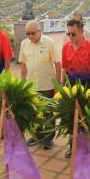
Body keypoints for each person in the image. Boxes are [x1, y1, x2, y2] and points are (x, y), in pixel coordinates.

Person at [62, 19, 90, 158]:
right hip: (71, 85)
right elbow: (65, 69)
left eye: (73, 34)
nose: (70, 37)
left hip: (87, 85)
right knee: (71, 117)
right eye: (68, 34)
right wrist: (63, 87)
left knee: (89, 117)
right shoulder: (66, 47)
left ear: (81, 31)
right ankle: (72, 146)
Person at [19, 20, 61, 149]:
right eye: (27, 33)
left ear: (39, 31)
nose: (30, 36)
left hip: (47, 84)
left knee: (48, 112)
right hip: (31, 86)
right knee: (33, 112)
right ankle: (37, 135)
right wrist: (23, 84)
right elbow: (23, 64)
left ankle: (48, 137)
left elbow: (57, 64)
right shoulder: (24, 44)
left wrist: (57, 85)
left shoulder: (49, 42)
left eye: (33, 33)